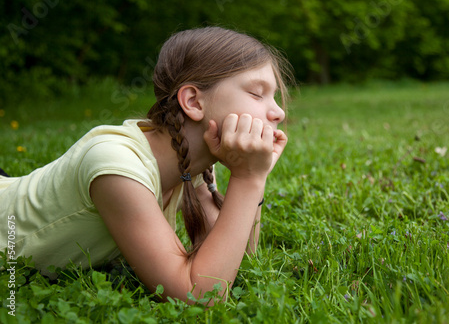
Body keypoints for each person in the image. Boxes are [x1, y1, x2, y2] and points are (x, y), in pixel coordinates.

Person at [0, 27, 292, 302]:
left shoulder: (194, 167)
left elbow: (238, 259)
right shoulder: (116, 164)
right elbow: (197, 296)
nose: (277, 111)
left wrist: (257, 175)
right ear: (193, 101)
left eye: (275, 97)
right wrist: (247, 179)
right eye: (257, 93)